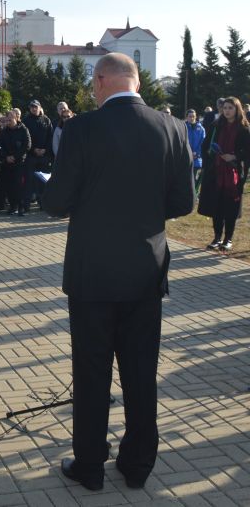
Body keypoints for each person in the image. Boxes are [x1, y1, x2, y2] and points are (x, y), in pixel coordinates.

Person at [43, 52, 194, 492]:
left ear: (103, 80)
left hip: (92, 274)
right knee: (141, 372)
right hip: (145, 270)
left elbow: (55, 203)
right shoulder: (171, 128)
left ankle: (90, 465)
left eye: (94, 84)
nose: (93, 90)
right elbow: (184, 203)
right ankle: (138, 464)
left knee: (92, 373)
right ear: (137, 83)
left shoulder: (82, 129)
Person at [197, 96, 250, 251]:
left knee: (231, 207)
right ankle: (217, 237)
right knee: (217, 206)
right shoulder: (216, 125)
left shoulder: (244, 128)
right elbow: (205, 146)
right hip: (216, 172)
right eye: (225, 108)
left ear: (237, 109)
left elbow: (247, 151)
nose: (227, 111)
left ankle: (228, 239)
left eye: (230, 108)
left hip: (234, 174)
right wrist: (212, 156)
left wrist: (234, 156)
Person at [22, 100, 54, 212]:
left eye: (36, 107)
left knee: (43, 182)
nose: (34, 109)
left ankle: (43, 204)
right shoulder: (25, 121)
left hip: (44, 156)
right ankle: (26, 205)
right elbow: (25, 138)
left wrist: (45, 149)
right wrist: (33, 149)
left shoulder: (46, 120)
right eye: (32, 107)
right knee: (29, 181)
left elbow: (51, 137)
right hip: (31, 156)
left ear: (40, 108)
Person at [0, 110, 31, 216]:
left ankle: (21, 207)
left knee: (19, 186)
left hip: (19, 163)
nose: (9, 121)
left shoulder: (23, 129)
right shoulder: (3, 132)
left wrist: (15, 157)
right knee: (9, 186)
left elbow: (27, 145)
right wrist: (6, 157)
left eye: (10, 119)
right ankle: (13, 206)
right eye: (7, 119)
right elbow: (0, 146)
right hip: (7, 163)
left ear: (16, 118)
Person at [185, 109, 206, 191]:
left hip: (197, 159)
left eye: (193, 116)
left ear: (196, 116)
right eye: (190, 116)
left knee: (195, 178)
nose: (192, 118)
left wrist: (197, 154)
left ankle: (194, 193)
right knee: (187, 178)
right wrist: (188, 153)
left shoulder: (201, 129)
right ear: (187, 117)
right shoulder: (183, 127)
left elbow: (203, 143)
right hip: (186, 158)